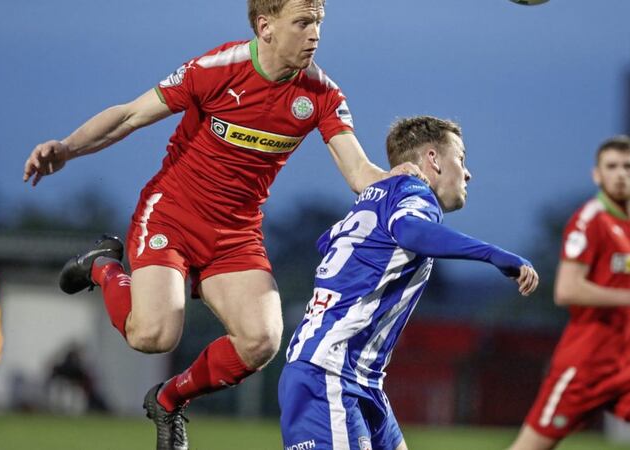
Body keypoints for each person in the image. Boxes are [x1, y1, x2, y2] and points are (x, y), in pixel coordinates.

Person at [22, 1, 423, 449]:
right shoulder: (217, 68)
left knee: (262, 340)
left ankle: (169, 400)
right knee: (152, 335)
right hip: (171, 216)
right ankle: (102, 266)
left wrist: (393, 179)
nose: (315, 35)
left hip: (235, 234)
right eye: (303, 23)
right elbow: (131, 115)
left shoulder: (322, 95)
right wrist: (68, 148)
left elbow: (358, 173)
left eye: (319, 24)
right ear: (265, 26)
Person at [278, 116, 539, 450]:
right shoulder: (413, 192)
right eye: (460, 159)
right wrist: (493, 255)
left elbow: (327, 241)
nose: (467, 172)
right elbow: (409, 230)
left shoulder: (378, 195)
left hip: (359, 379)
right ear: (432, 159)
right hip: (329, 374)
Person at [509, 136, 630, 450]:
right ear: (597, 175)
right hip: (584, 364)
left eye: (628, 166)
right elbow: (566, 289)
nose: (621, 173)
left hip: (628, 360)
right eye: (611, 166)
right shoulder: (589, 221)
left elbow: (616, 282)